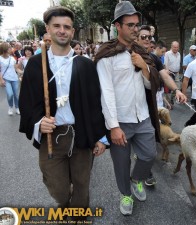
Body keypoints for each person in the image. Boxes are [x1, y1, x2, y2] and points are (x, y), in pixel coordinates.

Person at [19, 6, 107, 222]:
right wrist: (39, 123)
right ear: (47, 29)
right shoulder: (35, 64)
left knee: (82, 187)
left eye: (66, 27)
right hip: (52, 137)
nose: (62, 30)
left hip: (81, 135)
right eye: (56, 26)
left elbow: (96, 103)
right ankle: (65, 205)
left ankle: (77, 217)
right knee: (58, 189)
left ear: (73, 32)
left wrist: (101, 137)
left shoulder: (85, 65)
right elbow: (26, 103)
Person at [95, 1, 160, 216]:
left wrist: (144, 67)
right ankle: (125, 194)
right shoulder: (107, 54)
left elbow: (151, 86)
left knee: (149, 155)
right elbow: (106, 92)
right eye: (130, 24)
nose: (135, 28)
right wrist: (113, 126)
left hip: (143, 118)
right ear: (118, 26)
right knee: (121, 164)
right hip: (120, 121)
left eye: (136, 24)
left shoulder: (142, 52)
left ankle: (137, 180)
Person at [136, 25, 187, 186]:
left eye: (149, 37)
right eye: (143, 37)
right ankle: (132, 181)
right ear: (136, 38)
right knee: (130, 149)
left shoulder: (154, 58)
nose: (147, 40)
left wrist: (177, 90)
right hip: (130, 109)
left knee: (148, 144)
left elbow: (164, 75)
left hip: (148, 108)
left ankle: (146, 172)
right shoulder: (128, 55)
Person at [0, 42, 21, 115]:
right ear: (5, 49)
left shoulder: (12, 58)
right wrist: (1, 79)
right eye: (9, 48)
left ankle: (17, 108)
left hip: (14, 78)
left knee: (16, 94)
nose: (11, 49)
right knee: (10, 94)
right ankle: (10, 107)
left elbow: (16, 69)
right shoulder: (0, 58)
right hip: (6, 79)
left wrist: (23, 72)